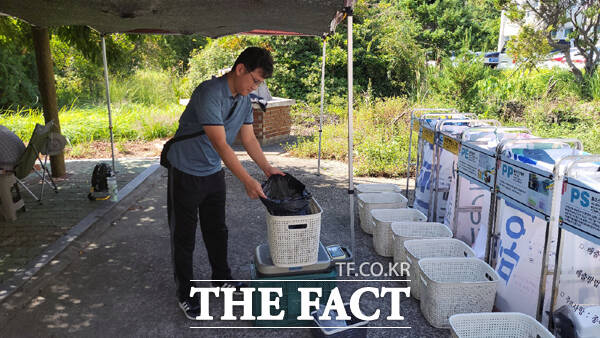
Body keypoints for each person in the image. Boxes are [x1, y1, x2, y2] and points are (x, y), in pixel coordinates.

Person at [166, 47, 284, 320]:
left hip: (211, 171)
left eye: (260, 84)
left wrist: (267, 169)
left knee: (217, 229)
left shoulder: (243, 99)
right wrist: (246, 180)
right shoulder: (209, 93)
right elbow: (221, 144)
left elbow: (249, 139)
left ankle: (222, 278)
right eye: (254, 80)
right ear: (240, 69)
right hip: (185, 171)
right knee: (184, 235)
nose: (255, 87)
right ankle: (185, 293)